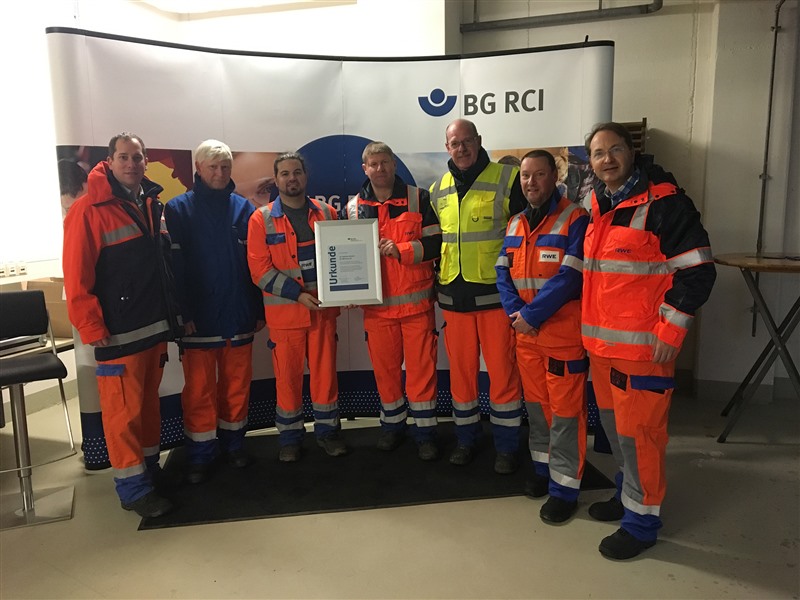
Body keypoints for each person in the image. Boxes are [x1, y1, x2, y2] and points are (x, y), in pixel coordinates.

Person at [582, 122, 716, 559]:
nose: (607, 159)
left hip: (643, 351)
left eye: (615, 149)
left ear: (632, 152)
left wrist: (672, 330)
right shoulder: (596, 203)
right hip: (602, 350)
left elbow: (698, 271)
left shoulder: (666, 204)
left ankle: (641, 525)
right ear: (591, 162)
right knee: (618, 436)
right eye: (598, 153)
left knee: (641, 438)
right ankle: (627, 498)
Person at [63, 132, 182, 518]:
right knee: (123, 415)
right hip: (117, 334)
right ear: (110, 161)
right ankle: (133, 491)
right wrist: (92, 328)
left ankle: (148, 473)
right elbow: (76, 277)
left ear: (145, 161)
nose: (132, 164)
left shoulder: (150, 203)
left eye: (138, 157)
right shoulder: (87, 210)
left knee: (146, 409)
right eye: (124, 157)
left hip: (152, 328)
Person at [428, 118, 527, 474]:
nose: (462, 148)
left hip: (495, 300)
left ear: (479, 140)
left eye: (467, 141)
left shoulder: (507, 178)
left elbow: (523, 238)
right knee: (461, 378)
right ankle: (466, 440)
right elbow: (435, 242)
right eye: (455, 143)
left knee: (503, 376)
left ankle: (507, 447)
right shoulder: (437, 190)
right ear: (447, 148)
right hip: (453, 301)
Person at [496, 149, 590, 523]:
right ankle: (543, 470)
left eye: (538, 174)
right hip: (526, 338)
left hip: (562, 338)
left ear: (555, 176)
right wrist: (516, 316)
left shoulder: (575, 219)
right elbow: (502, 273)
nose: (530, 182)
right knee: (537, 410)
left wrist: (531, 315)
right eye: (525, 176)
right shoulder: (515, 223)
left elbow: (570, 277)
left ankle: (565, 489)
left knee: (566, 415)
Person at [163, 140, 264, 484]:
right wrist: (183, 314)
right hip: (199, 320)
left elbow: (255, 266)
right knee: (199, 391)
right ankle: (201, 454)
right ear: (198, 169)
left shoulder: (243, 209)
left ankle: (234, 445)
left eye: (225, 167)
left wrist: (257, 309)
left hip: (239, 315)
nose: (220, 173)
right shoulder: (177, 209)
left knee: (237, 386)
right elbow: (173, 270)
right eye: (213, 167)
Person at [343, 142, 441, 460]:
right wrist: (347, 291)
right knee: (385, 373)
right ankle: (392, 427)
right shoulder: (353, 208)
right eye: (373, 164)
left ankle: (425, 433)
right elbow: (346, 256)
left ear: (394, 164)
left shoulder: (418, 198)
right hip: (377, 310)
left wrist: (404, 250)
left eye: (385, 162)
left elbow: (436, 243)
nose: (380, 169)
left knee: (421, 373)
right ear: (365, 169)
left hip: (416, 307)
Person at [247, 152, 347, 461]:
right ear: (276, 180)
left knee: (325, 377)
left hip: (323, 313)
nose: (292, 178)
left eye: (297, 172)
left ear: (305, 176)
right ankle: (289, 438)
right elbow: (259, 272)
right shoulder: (260, 219)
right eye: (285, 173)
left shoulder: (328, 213)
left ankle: (328, 433)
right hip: (285, 316)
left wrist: (351, 287)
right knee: (287, 380)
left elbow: (343, 257)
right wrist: (297, 294)